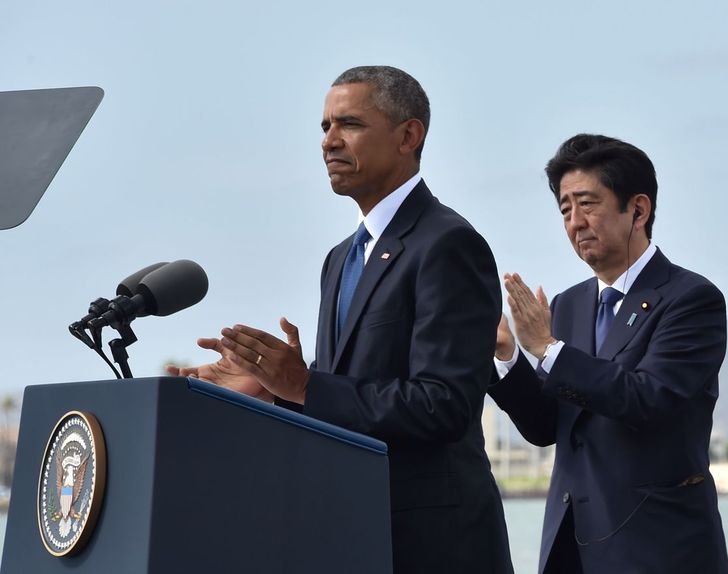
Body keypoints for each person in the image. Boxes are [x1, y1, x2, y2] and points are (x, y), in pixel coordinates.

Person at [168, 66, 513, 574]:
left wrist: (305, 385)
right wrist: (275, 391)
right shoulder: (340, 258)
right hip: (354, 533)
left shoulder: (447, 244)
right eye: (324, 127)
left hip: (435, 546)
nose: (329, 142)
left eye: (348, 124)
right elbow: (346, 402)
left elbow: (445, 405)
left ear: (408, 136)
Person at [490, 134, 728, 574]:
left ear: (638, 209)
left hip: (657, 550)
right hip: (571, 548)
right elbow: (550, 426)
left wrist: (547, 348)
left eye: (588, 204)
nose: (575, 222)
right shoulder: (568, 305)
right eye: (565, 209)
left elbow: (649, 398)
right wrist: (508, 360)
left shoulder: (692, 299)